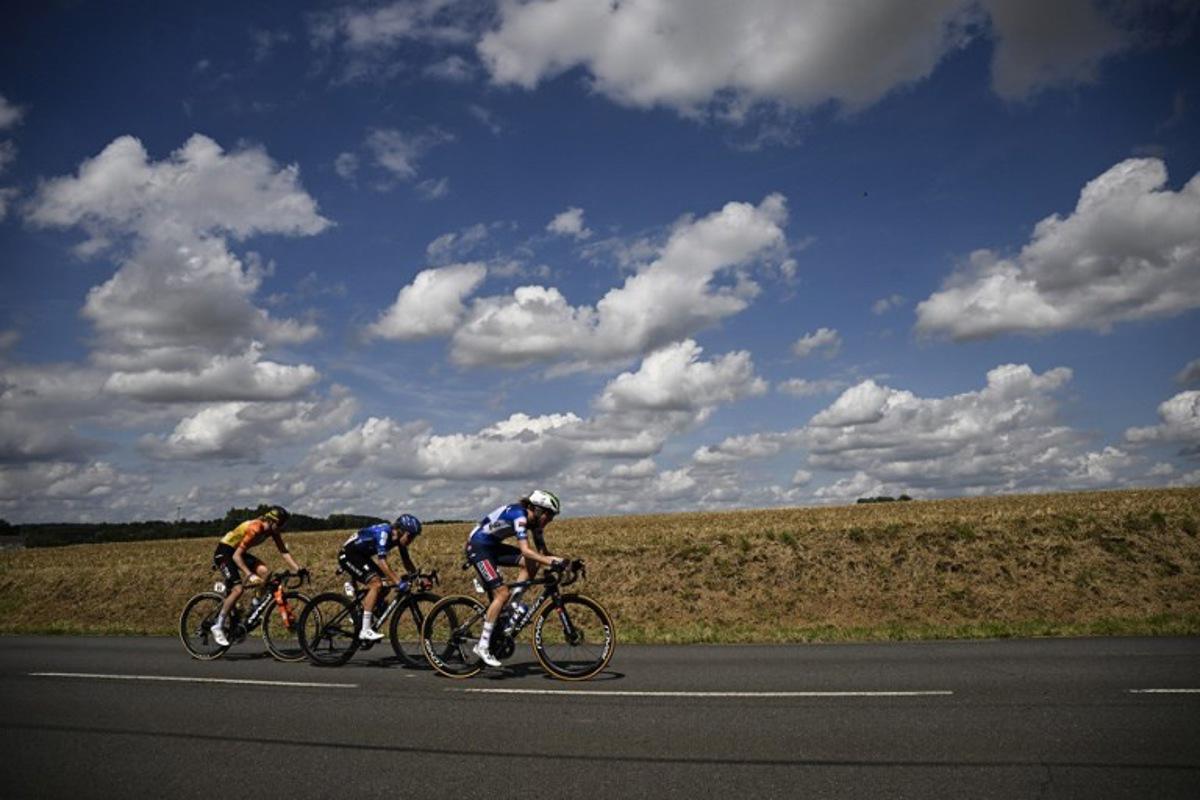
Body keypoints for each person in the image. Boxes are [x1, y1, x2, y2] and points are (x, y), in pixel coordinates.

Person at [464, 490, 565, 667]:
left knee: (530, 563)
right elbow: (526, 550)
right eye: (549, 515)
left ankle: (512, 605)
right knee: (501, 594)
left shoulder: (535, 524)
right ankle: (483, 645)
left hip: (492, 546)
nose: (550, 520)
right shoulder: (520, 517)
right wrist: (551, 561)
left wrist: (565, 561)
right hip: (478, 547)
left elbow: (542, 554)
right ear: (538, 510)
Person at [210, 506, 307, 647]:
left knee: (265, 573)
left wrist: (298, 568)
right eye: (280, 525)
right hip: (225, 553)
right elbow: (236, 557)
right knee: (238, 589)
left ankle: (254, 607)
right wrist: (249, 575)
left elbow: (283, 551)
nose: (281, 528)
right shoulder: (256, 528)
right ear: (273, 521)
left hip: (237, 552)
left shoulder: (272, 530)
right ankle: (217, 625)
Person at [338, 514, 423, 641]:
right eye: (410, 536)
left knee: (386, 584)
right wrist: (399, 582)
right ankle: (365, 630)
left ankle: (362, 613)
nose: (411, 540)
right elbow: (381, 562)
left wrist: (418, 578)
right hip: (349, 555)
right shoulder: (384, 533)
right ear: (401, 530)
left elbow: (406, 561)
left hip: (361, 556)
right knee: (376, 584)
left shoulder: (399, 539)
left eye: (414, 537)